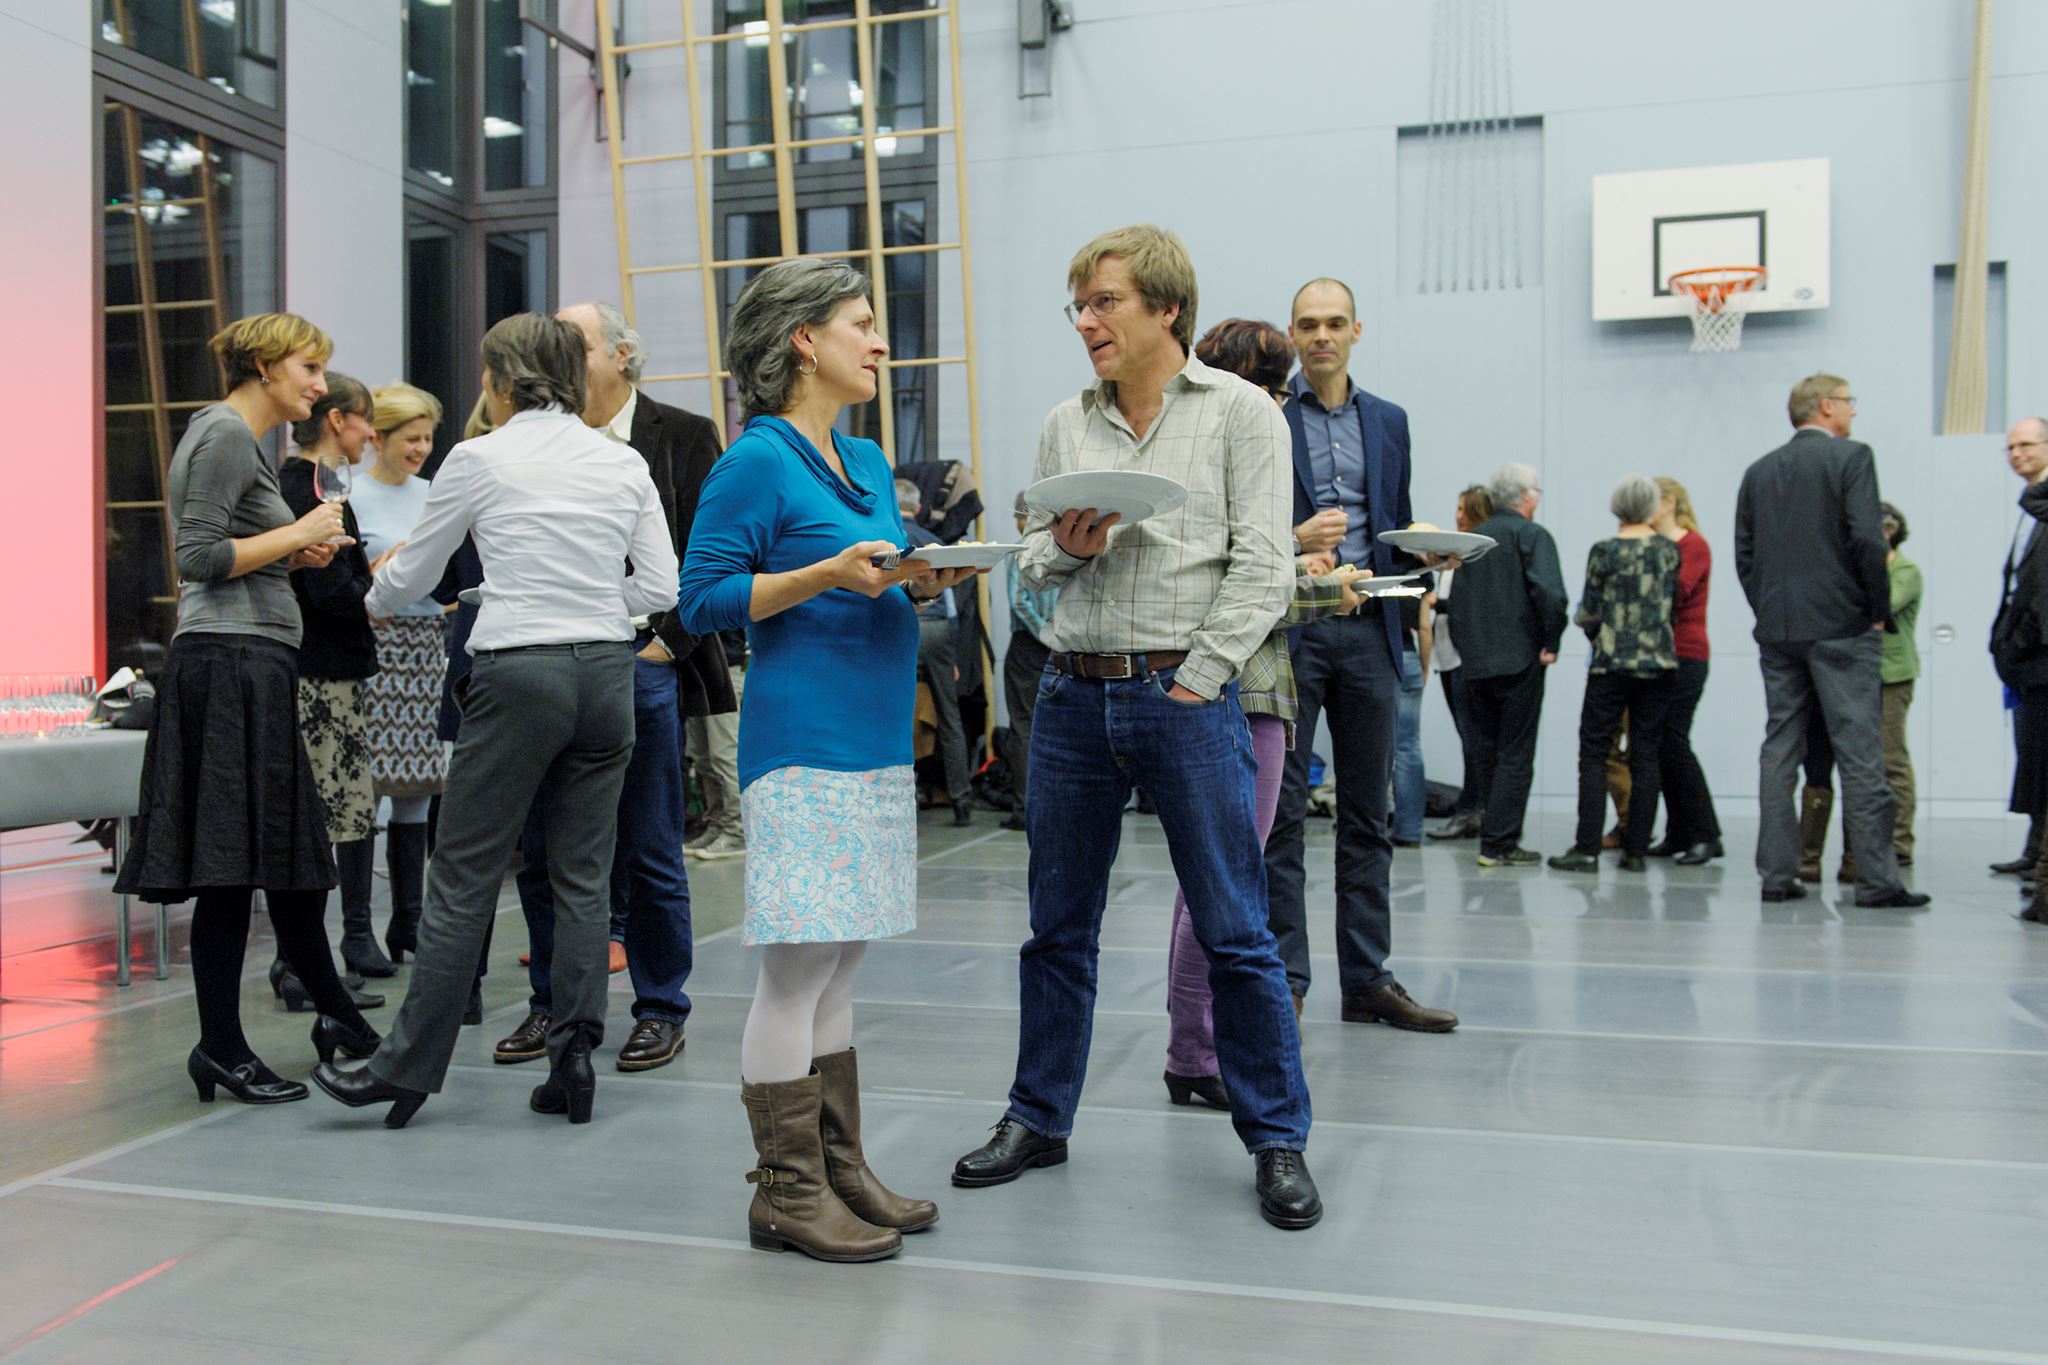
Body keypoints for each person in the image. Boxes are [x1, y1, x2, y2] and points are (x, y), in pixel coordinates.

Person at [951, 226, 1321, 1231]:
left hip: (1183, 696)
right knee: (1055, 931)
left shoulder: (1241, 415)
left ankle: (1276, 1139)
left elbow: (1261, 566)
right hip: (1071, 696)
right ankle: (1037, 1118)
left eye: (1102, 302)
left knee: (1236, 929)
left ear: (1165, 310)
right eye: (1076, 305)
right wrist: (1067, 551)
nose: (1084, 322)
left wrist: (1201, 681)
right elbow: (1030, 565)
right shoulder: (1062, 426)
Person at [310, 312, 679, 1129]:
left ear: (500, 380)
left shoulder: (478, 458)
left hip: (518, 672)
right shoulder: (621, 461)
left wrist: (361, 602)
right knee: (586, 875)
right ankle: (575, 1055)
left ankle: (405, 1068)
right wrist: (592, 607)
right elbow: (660, 588)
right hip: (607, 674)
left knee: (466, 871)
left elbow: (417, 572)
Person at [677, 257, 968, 1263]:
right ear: (803, 340)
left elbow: (867, 580)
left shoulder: (861, 461)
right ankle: (786, 1193)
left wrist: (911, 585)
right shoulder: (755, 460)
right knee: (797, 969)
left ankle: (840, 1172)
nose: (878, 341)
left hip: (875, 737)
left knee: (838, 960)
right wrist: (822, 574)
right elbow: (702, 599)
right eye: (860, 322)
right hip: (803, 742)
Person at [114, 312, 379, 1105]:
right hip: (226, 665)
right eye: (307, 367)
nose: (319, 384)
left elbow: (230, 554)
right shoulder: (225, 435)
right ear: (263, 366)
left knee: (283, 861)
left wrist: (294, 554)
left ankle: (332, 1020)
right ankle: (228, 1045)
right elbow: (195, 558)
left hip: (253, 664)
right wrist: (297, 530)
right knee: (233, 868)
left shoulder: (240, 441)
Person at [491, 302, 728, 1075]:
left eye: (575, 341)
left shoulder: (683, 435)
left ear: (623, 356)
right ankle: (553, 1005)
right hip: (542, 665)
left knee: (651, 845)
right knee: (540, 850)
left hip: (638, 661)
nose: (557, 353)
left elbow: (708, 556)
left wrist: (664, 648)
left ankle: (661, 1006)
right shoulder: (516, 442)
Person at [1162, 316, 1365, 1109]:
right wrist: (1321, 585)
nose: (1282, 404)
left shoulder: (1211, 445)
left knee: (1211, 882)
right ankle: (1198, 1051)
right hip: (1241, 689)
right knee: (1221, 883)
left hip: (1242, 687)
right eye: (1277, 388)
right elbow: (1233, 581)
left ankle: (1197, 1046)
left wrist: (1294, 558)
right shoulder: (1232, 444)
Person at [1261, 278, 1456, 1032]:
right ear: (1292, 333)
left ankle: (1367, 978)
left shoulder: (1390, 421)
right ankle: (1287, 979)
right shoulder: (1270, 418)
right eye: (1307, 324)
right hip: (1297, 626)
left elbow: (1396, 523)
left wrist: (1429, 562)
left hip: (1374, 627)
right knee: (1280, 814)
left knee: (1368, 811)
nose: (1321, 336)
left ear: (1356, 331)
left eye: (1334, 323)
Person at [1736, 374, 1926, 908]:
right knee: (1860, 750)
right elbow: (1867, 538)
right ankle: (1877, 878)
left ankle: (1778, 874)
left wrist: (1770, 611)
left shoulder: (1758, 471)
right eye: (1849, 402)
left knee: (1779, 750)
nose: (1854, 412)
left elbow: (1744, 555)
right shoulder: (1851, 458)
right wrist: (1875, 610)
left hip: (1779, 630)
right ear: (1826, 407)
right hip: (1843, 627)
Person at [275, 373, 392, 1007]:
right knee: (331, 816)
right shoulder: (314, 490)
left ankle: (303, 960)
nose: (371, 434)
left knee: (332, 815)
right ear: (339, 419)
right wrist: (374, 596)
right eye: (365, 421)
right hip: (323, 673)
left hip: (318, 667)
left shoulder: (302, 483)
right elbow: (325, 586)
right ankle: (303, 964)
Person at [355, 383, 455, 975]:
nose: (421, 448)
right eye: (410, 438)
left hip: (424, 644)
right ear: (379, 438)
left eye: (427, 438)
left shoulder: (432, 494)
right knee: (365, 787)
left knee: (419, 783)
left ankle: (408, 920)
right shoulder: (355, 497)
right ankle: (360, 927)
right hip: (372, 644)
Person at [1548, 476, 1679, 874]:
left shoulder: (1604, 551)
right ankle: (1636, 848)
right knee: (1647, 753)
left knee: (1594, 751)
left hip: (1610, 663)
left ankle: (1587, 848)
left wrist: (1596, 634)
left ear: (1616, 507)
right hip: (1658, 664)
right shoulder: (1669, 552)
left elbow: (1589, 610)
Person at [1452, 461, 1569, 866]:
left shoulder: (1473, 540)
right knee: (1515, 753)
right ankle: (1499, 843)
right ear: (1525, 497)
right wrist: (1551, 641)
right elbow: (1550, 594)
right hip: (1521, 659)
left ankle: (1492, 832)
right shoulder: (1533, 536)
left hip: (1475, 663)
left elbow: (1459, 603)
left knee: (1484, 750)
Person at [1647, 475, 1722, 864]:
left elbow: (1675, 593)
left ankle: (1706, 833)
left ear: (1671, 502)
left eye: (1653, 500)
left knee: (1673, 742)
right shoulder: (1653, 545)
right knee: (1661, 745)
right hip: (1657, 656)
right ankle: (1679, 832)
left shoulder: (1693, 545)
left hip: (1686, 655)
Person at [1991, 422, 2048, 924]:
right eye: (2010, 446)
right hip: (2021, 656)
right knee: (2031, 753)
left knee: (2042, 753)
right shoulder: (2028, 507)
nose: (2016, 453)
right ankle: (2035, 851)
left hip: (2038, 653)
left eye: (2027, 444)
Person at [898, 478, 975, 826]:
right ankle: (961, 799)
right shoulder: (934, 541)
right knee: (949, 715)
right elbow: (952, 601)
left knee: (901, 714)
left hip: (906, 625)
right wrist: (955, 651)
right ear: (917, 509)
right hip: (941, 629)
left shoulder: (886, 538)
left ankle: (907, 797)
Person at [1426, 485, 1492, 841]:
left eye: (1464, 509)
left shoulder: (1476, 553)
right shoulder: (1454, 553)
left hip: (1464, 658)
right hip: (1447, 656)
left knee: (1474, 737)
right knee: (1467, 736)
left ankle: (1473, 809)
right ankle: (1473, 808)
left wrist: (1437, 605)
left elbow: (1471, 607)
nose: (1458, 516)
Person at [1002, 488, 1055, 833]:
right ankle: (1054, 809)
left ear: (1025, 517)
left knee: (1023, 728)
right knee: (1054, 729)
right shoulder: (1067, 548)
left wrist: (1042, 632)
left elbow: (1019, 602)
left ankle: (1025, 809)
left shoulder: (1021, 551)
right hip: (1062, 648)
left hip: (1028, 646)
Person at [1877, 502, 1922, 866]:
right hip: (1862, 675)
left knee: (1892, 758)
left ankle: (1900, 841)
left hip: (1893, 674)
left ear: (1888, 531)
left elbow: (1884, 605)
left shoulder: (1905, 571)